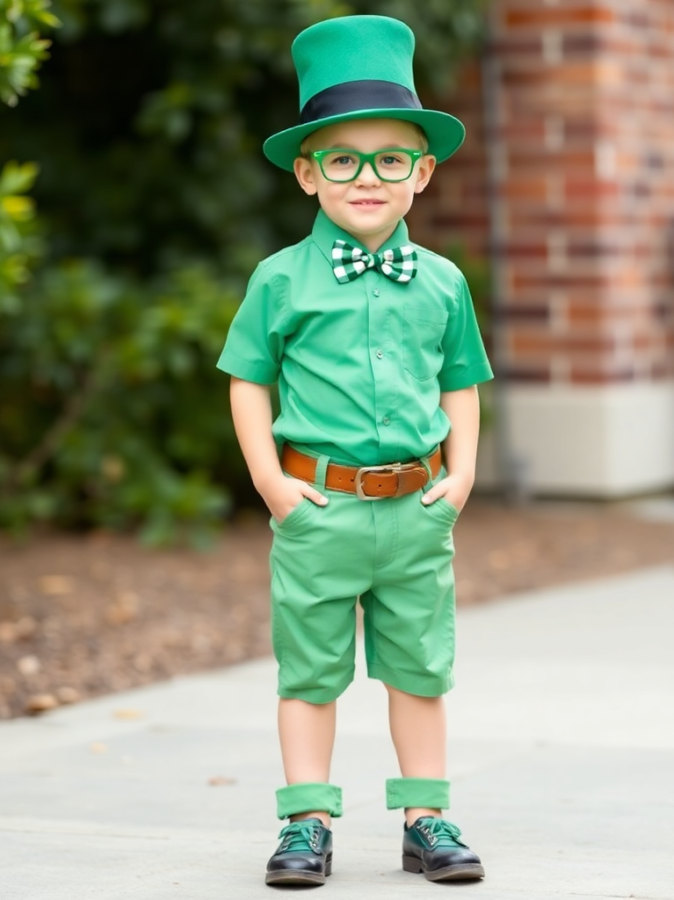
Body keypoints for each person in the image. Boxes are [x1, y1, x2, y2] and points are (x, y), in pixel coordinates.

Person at [217, 14, 493, 887]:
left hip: (415, 509)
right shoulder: (279, 279)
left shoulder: (443, 282)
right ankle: (306, 822)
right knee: (310, 670)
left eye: (388, 158)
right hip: (318, 507)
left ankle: (426, 817)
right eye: (341, 158)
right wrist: (271, 483)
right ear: (307, 172)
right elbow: (248, 380)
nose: (365, 178)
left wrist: (460, 476)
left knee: (419, 665)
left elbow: (461, 381)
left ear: (422, 171)